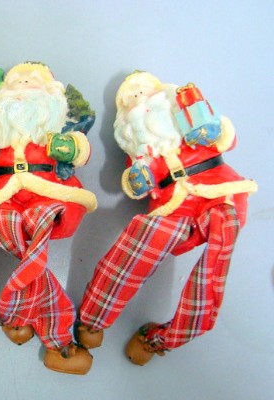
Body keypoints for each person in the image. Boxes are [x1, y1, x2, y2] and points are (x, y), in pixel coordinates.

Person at [78, 71, 258, 365]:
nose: (140, 101)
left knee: (216, 261)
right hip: (174, 208)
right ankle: (92, 320)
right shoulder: (140, 149)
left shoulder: (190, 119)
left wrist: (207, 122)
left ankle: (163, 340)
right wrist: (136, 180)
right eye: (131, 99)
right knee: (141, 242)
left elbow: (227, 137)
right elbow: (135, 187)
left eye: (144, 93)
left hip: (218, 193)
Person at [0, 62, 97, 374]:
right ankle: (35, 320)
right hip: (5, 192)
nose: (23, 87)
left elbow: (81, 149)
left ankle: (39, 327)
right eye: (17, 83)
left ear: (50, 93)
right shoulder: (0, 122)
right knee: (1, 225)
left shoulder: (57, 121)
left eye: (31, 82)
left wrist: (72, 149)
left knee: (40, 222)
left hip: (49, 192)